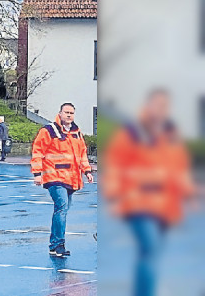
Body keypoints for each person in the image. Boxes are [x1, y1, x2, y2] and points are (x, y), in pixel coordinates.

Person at [103, 90, 195, 296]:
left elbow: (178, 167)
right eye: (157, 104)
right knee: (150, 250)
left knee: (151, 253)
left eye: (165, 105)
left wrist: (189, 192)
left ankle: (144, 289)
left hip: (165, 205)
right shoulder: (132, 133)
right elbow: (116, 165)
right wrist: (114, 197)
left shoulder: (170, 133)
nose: (161, 109)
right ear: (148, 106)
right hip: (138, 203)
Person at [31, 102, 93, 257]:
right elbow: (38, 151)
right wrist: (37, 173)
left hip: (71, 178)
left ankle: (54, 245)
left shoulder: (76, 132)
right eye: (66, 112)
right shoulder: (49, 131)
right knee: (62, 207)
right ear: (60, 113)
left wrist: (87, 171)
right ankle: (59, 245)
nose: (69, 115)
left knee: (62, 210)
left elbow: (82, 154)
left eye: (72, 113)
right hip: (54, 177)